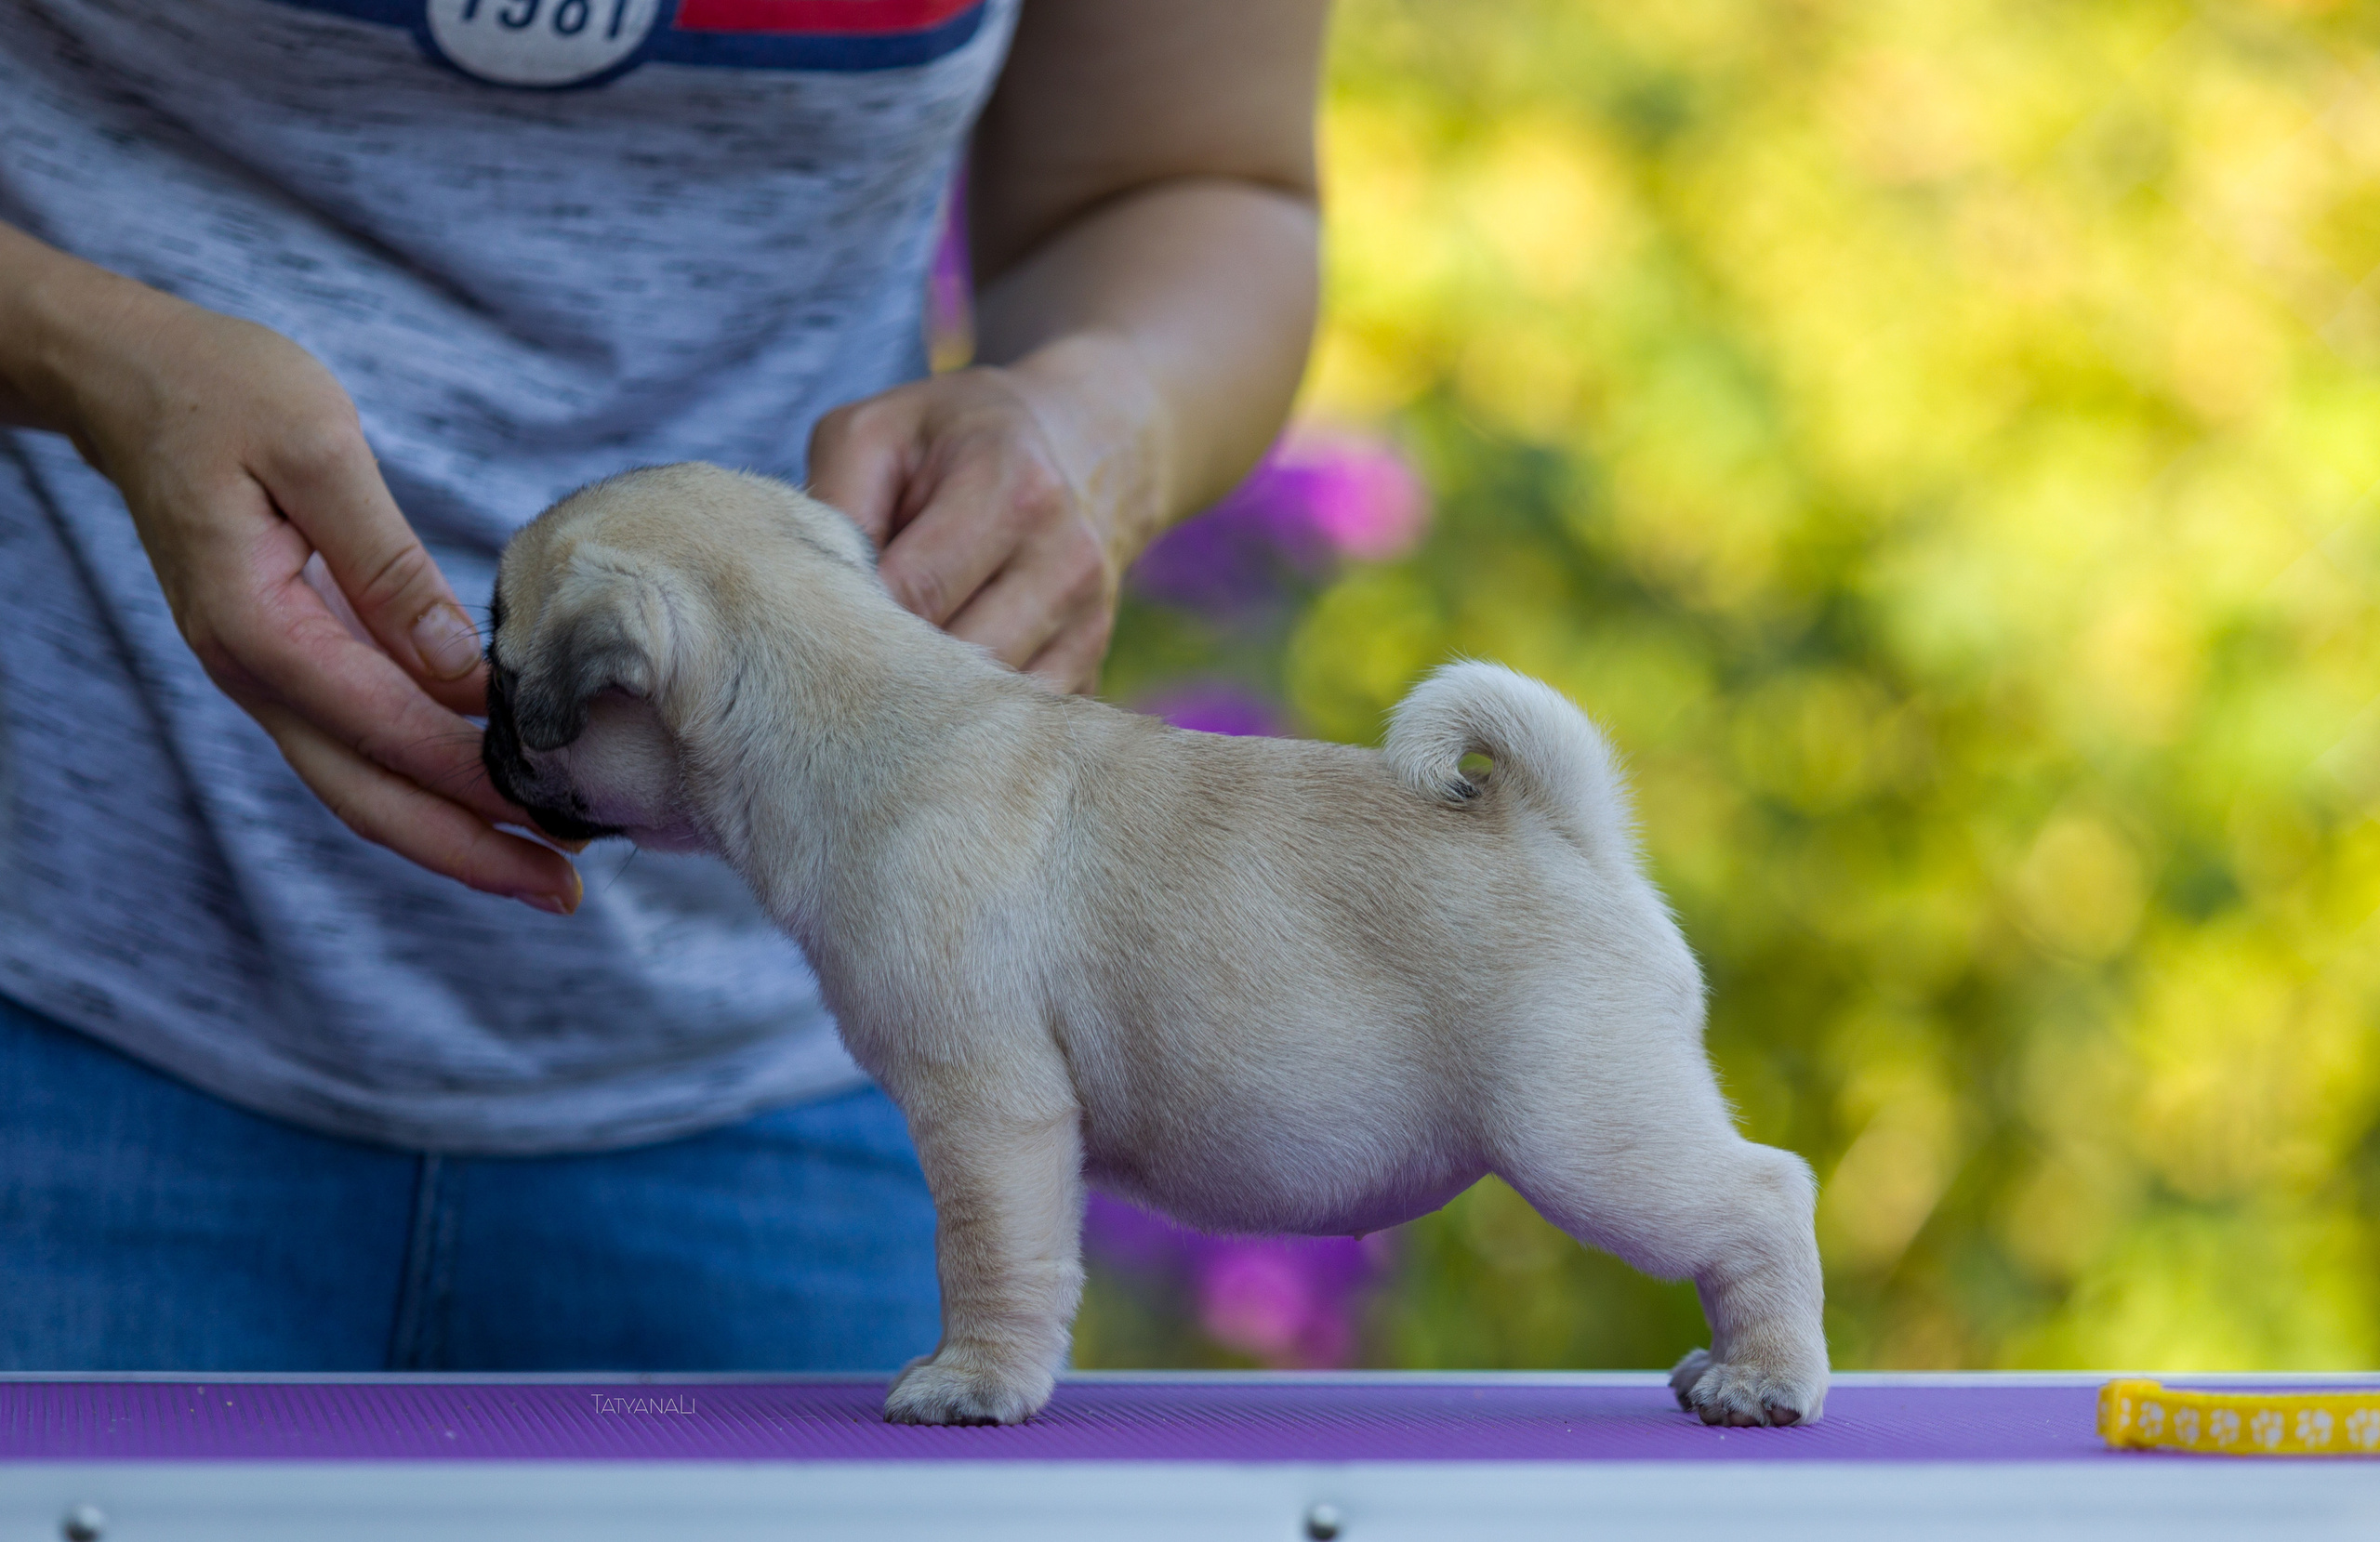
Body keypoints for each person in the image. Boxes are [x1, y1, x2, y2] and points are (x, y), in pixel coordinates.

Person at [0, 0, 1325, 1370]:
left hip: (813, 1045)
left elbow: (1189, 176)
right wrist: (80, 352)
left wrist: (1105, 421)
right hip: (62, 983)